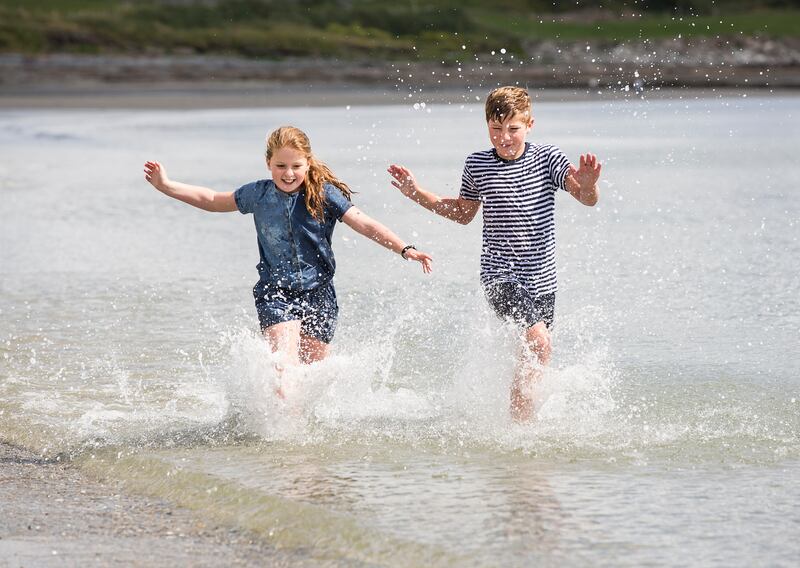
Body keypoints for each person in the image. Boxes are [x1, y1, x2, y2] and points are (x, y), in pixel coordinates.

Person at [144, 125, 432, 388]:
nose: (288, 173)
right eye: (280, 166)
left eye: (296, 166)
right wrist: (166, 186)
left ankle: (299, 444)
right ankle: (277, 436)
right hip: (276, 292)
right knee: (283, 370)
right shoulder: (257, 194)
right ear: (268, 163)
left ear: (307, 163)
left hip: (320, 295)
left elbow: (365, 224)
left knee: (312, 383)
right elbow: (212, 200)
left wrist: (405, 249)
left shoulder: (324, 195)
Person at [387, 86, 600, 422]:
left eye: (512, 129)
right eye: (496, 129)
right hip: (499, 276)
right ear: (487, 125)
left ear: (529, 125)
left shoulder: (548, 158)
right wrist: (416, 194)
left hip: (543, 281)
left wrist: (587, 185)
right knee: (540, 343)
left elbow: (586, 198)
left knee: (532, 357)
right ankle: (519, 433)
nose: (504, 138)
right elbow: (462, 213)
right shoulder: (478, 164)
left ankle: (520, 432)